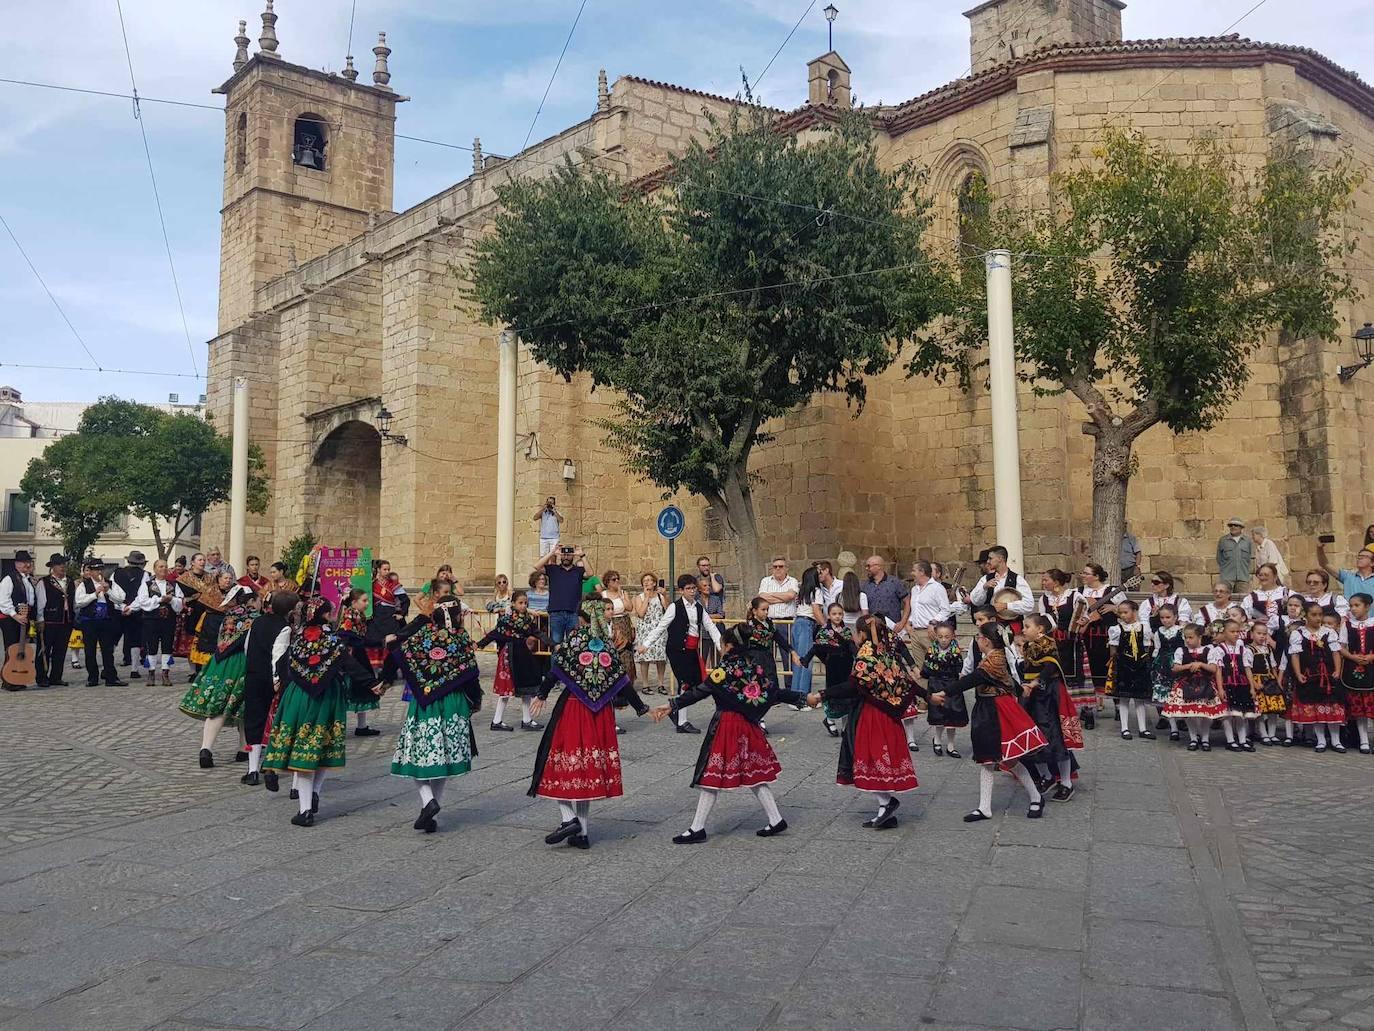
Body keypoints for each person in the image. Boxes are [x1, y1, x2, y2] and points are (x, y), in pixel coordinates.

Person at [655, 625, 817, 843]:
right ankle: (775, 818)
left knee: (710, 775)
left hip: (727, 725)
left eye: (722, 645)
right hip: (748, 726)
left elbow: (699, 691)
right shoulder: (753, 668)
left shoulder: (724, 670)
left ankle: (697, 828)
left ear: (729, 646)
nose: (721, 649)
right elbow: (773, 693)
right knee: (755, 775)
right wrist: (802, 698)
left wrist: (672, 705)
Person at [528, 603, 630, 849]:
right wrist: (640, 707)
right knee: (587, 769)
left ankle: (568, 819)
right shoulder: (606, 643)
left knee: (555, 763)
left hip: (573, 706)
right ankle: (582, 833)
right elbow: (621, 678)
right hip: (601, 712)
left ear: (583, 619)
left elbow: (557, 669)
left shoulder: (575, 640)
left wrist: (541, 694)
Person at [264, 598, 373, 825]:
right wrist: (373, 684)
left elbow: (282, 664)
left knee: (303, 748)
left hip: (298, 696)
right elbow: (350, 665)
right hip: (328, 696)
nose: (334, 613)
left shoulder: (298, 640)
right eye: (331, 611)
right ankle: (313, 793)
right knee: (322, 744)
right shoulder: (333, 640)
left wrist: (281, 684)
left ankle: (305, 810)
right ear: (324, 615)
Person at [391, 589, 482, 834]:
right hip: (453, 703)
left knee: (417, 755)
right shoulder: (461, 640)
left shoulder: (422, 637)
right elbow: (472, 675)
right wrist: (476, 700)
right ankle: (433, 807)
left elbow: (400, 652)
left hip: (426, 703)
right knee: (445, 758)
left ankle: (427, 802)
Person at [821, 615, 924, 829]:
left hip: (871, 713)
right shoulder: (886, 652)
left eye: (857, 633)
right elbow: (906, 681)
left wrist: (823, 694)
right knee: (875, 758)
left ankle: (886, 804)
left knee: (868, 757)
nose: (856, 637)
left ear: (863, 635)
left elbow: (853, 685)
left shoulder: (866, 655)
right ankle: (884, 809)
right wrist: (928, 695)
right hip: (888, 715)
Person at [947, 622, 1050, 822]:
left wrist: (945, 692)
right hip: (987, 709)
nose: (977, 640)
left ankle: (1036, 796)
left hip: (998, 710)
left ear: (985, 640)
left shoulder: (994, 659)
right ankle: (984, 807)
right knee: (988, 760)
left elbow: (974, 678)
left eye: (978, 637)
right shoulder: (993, 656)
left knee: (1009, 758)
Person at [179, 584, 258, 768]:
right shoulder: (254, 617)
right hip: (242, 662)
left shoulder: (228, 615)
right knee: (244, 705)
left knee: (218, 704)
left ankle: (206, 748)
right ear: (251, 601)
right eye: (258, 600)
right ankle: (243, 749)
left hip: (219, 662)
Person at [636, 574, 723, 734]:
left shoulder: (698, 607)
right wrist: (646, 645)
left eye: (693, 588)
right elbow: (661, 627)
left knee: (697, 685)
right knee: (685, 683)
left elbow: (711, 627)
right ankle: (682, 722)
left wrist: (721, 646)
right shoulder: (674, 607)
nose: (691, 591)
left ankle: (675, 708)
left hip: (691, 650)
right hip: (676, 650)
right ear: (681, 591)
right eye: (688, 589)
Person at [1021, 615, 1084, 801]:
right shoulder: (1028, 646)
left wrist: (1036, 682)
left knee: (1056, 736)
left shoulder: (1048, 645)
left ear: (1040, 629)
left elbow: (1049, 668)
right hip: (1031, 695)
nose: (1023, 630)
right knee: (1033, 736)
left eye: (1027, 626)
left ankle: (1066, 783)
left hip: (1048, 695)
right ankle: (1046, 776)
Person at [240, 590, 295, 787]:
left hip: (253, 674)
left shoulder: (257, 622)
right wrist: (276, 679)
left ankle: (252, 770)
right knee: (272, 720)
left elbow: (247, 647)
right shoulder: (284, 628)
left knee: (253, 720)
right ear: (289, 611)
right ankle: (269, 764)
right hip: (270, 680)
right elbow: (278, 656)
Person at [476, 590, 546, 732]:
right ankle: (497, 720)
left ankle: (527, 719)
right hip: (509, 655)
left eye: (526, 603)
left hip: (523, 655)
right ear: (513, 603)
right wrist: (479, 644)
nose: (523, 605)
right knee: (506, 689)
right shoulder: (506, 621)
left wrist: (552, 642)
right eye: (520, 603)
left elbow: (537, 632)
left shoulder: (527, 621)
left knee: (527, 687)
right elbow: (494, 634)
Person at [1287, 600, 1345, 753]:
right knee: (1316, 708)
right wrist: (1298, 673)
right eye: (1314, 615)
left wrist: (1337, 670)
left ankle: (1336, 740)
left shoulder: (1328, 632)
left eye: (1320, 614)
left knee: (1332, 707)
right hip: (1311, 675)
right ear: (1305, 615)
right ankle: (1320, 740)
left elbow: (1335, 652)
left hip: (1328, 674)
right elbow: (1295, 655)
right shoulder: (1298, 633)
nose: (1318, 618)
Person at [1074, 562, 1126, 726]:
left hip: (1106, 638)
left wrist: (1114, 608)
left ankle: (1118, 706)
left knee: (1111, 670)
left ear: (1096, 576)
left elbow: (1128, 610)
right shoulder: (1080, 592)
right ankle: (1087, 709)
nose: (1082, 575)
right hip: (1086, 637)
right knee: (1086, 672)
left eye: (1086, 573)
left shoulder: (1112, 591)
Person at [1162, 624, 1225, 751]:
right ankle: (1193, 738)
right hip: (1187, 684)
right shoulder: (1181, 651)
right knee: (1190, 713)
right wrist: (1189, 665)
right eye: (1186, 637)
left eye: (1191, 637)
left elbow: (1213, 668)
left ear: (1199, 637)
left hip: (1205, 684)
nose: (1188, 640)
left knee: (1205, 714)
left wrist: (1201, 664)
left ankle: (1205, 738)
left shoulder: (1208, 650)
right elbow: (1175, 667)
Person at [800, 603, 857, 737]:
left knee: (847, 693)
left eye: (840, 614)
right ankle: (830, 719)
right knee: (833, 693)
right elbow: (816, 648)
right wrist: (806, 660)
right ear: (829, 616)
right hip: (833, 666)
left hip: (846, 665)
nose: (837, 617)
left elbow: (852, 647)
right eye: (834, 614)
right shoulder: (824, 631)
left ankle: (845, 727)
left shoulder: (847, 631)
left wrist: (859, 659)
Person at [336, 589, 386, 736]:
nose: (367, 603)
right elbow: (348, 636)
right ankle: (339, 726)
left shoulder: (358, 615)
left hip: (358, 654)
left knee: (360, 689)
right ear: (353, 602)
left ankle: (361, 726)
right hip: (350, 657)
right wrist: (379, 642)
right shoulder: (349, 615)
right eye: (364, 600)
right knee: (346, 690)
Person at [1107, 599, 1155, 739]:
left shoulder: (1144, 628)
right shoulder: (1116, 629)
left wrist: (1145, 661)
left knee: (1140, 699)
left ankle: (1143, 728)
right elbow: (1113, 648)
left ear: (1134, 612)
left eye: (1125, 612)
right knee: (1124, 697)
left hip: (1140, 664)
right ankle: (1124, 728)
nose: (1122, 615)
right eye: (1120, 613)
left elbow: (1146, 646)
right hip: (1124, 664)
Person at [75, 559, 127, 687]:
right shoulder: (84, 585)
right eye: (96, 570)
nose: (99, 572)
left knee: (107, 650)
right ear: (90, 572)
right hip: (90, 621)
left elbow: (121, 598)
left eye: (100, 569)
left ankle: (110, 677)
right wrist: (95, 594)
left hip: (106, 620)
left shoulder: (111, 583)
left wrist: (108, 590)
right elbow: (79, 602)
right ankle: (92, 677)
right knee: (90, 650)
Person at [134, 559, 185, 685]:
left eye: (166, 567)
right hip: (151, 619)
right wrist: (158, 600)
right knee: (152, 646)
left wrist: (171, 600)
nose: (164, 569)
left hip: (168, 620)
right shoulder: (147, 584)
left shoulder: (173, 584)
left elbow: (180, 602)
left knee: (167, 646)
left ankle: (165, 673)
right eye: (161, 566)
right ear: (155, 569)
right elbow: (143, 601)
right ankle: (151, 673)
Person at [920, 622, 966, 756]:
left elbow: (959, 666)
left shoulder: (956, 652)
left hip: (952, 684)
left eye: (947, 636)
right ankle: (938, 740)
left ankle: (951, 745)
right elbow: (927, 668)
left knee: (953, 716)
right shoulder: (931, 650)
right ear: (936, 636)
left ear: (952, 636)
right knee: (938, 715)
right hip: (936, 683)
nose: (944, 639)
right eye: (940, 636)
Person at [1212, 620, 1257, 752]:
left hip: (1241, 684)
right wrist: (1220, 689)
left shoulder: (1243, 649)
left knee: (1241, 714)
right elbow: (1218, 670)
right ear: (1224, 633)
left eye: (1238, 631)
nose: (1236, 634)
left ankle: (1243, 740)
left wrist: (1252, 687)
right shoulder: (1219, 650)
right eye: (1232, 632)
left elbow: (1248, 669)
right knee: (1227, 714)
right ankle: (1230, 740)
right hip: (1227, 684)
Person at [899, 560, 952, 668]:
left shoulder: (937, 588)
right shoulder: (914, 589)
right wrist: (909, 622)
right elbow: (916, 609)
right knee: (921, 667)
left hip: (930, 632)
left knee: (937, 664)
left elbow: (945, 610)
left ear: (922, 572)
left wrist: (933, 622)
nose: (911, 573)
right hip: (915, 632)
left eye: (914, 570)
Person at [1339, 592, 1374, 754]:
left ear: (1367, 606)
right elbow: (1341, 647)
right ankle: (1363, 740)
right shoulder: (1347, 625)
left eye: (1357, 605)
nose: (1353, 609)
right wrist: (1353, 657)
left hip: (1371, 668)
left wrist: (1371, 656)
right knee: (1358, 706)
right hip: (1353, 670)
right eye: (1351, 606)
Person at [534, 544, 588, 645]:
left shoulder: (578, 570)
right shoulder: (553, 569)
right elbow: (537, 566)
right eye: (564, 555)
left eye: (568, 554)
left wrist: (582, 555)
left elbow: (590, 573)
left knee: (573, 645)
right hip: (556, 613)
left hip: (574, 613)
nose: (566, 557)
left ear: (572, 556)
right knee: (556, 644)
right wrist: (552, 552)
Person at [34, 554, 73, 688]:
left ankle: (56, 677)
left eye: (63, 564)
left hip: (66, 620)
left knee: (60, 651)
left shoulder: (70, 581)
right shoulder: (44, 582)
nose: (62, 567)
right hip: (49, 621)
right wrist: (40, 620)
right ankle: (42, 677)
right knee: (44, 650)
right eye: (58, 564)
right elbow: (40, 602)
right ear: (52, 567)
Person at [111, 551, 151, 679]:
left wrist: (121, 606)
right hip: (136, 611)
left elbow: (113, 591)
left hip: (118, 610)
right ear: (142, 564)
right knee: (135, 640)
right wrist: (132, 607)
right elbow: (143, 594)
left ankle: (109, 666)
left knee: (113, 639)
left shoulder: (116, 573)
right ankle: (134, 669)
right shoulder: (146, 575)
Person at [0, 550, 37, 689]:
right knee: (12, 648)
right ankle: (8, 679)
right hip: (10, 618)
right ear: (16, 564)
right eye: (23, 562)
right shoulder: (8, 579)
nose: (27, 564)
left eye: (29, 562)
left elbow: (31, 599)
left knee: (20, 647)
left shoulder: (28, 579)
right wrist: (15, 615)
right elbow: (3, 600)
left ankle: (17, 678)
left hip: (24, 617)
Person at [967, 545, 1035, 620]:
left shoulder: (1017, 579)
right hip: (990, 625)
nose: (988, 562)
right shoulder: (985, 579)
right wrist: (984, 587)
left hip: (1012, 626)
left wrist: (1007, 605)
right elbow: (975, 601)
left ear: (1000, 559)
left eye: (990, 558)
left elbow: (1029, 605)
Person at [1150, 604, 1186, 741]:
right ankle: (1173, 728)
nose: (1165, 620)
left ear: (1175, 617)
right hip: (1163, 665)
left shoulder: (1181, 630)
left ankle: (1182, 720)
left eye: (1168, 617)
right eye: (1162, 618)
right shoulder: (1158, 632)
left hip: (1177, 664)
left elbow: (1185, 647)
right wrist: (1154, 666)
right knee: (1167, 697)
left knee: (1179, 694)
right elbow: (1157, 649)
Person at [1249, 621, 1287, 746]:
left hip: (1270, 680)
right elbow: (1247, 668)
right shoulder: (1249, 649)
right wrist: (1254, 684)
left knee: (1274, 709)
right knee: (1260, 709)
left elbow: (1273, 666)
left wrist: (1277, 681)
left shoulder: (1268, 648)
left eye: (1264, 634)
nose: (1262, 636)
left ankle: (1272, 733)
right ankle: (1263, 734)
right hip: (1258, 680)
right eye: (1259, 633)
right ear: (1252, 634)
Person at [632, 573, 669, 694]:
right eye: (645, 580)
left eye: (650, 580)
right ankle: (645, 685)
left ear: (654, 583)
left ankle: (661, 684)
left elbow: (668, 610)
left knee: (660, 658)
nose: (647, 582)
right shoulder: (639, 597)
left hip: (659, 629)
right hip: (645, 630)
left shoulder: (660, 597)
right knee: (645, 658)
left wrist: (665, 595)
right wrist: (647, 597)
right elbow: (641, 613)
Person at [859, 554, 909, 629]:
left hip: (893, 627)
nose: (866, 568)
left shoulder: (894, 582)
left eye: (869, 566)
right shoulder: (865, 585)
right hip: (873, 629)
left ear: (878, 566)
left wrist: (902, 622)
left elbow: (907, 602)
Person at [1246, 563, 1290, 633]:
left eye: (1266, 575)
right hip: (1261, 635)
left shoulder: (1287, 593)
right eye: (1260, 575)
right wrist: (1255, 621)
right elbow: (1242, 619)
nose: (1262, 577)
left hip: (1283, 635)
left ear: (1275, 577)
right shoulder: (1251, 597)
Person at [1217, 518, 1253, 592]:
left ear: (1241, 528)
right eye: (1231, 525)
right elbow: (1219, 558)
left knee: (1242, 601)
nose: (1233, 527)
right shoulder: (1223, 540)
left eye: (1236, 525)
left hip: (1243, 578)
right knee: (1226, 600)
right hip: (1227, 578)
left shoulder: (1247, 541)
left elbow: (1250, 558)